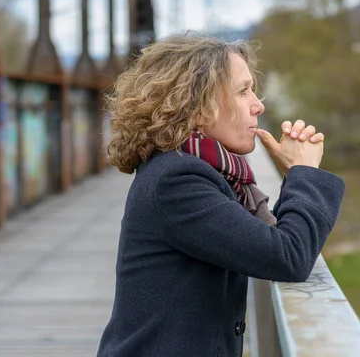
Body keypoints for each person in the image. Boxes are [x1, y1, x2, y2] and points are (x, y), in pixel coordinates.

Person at [96, 34, 345, 357]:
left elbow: (267, 240)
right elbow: (288, 256)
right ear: (197, 108)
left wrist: (295, 176)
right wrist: (304, 172)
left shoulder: (199, 171)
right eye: (243, 91)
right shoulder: (178, 180)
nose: (258, 105)